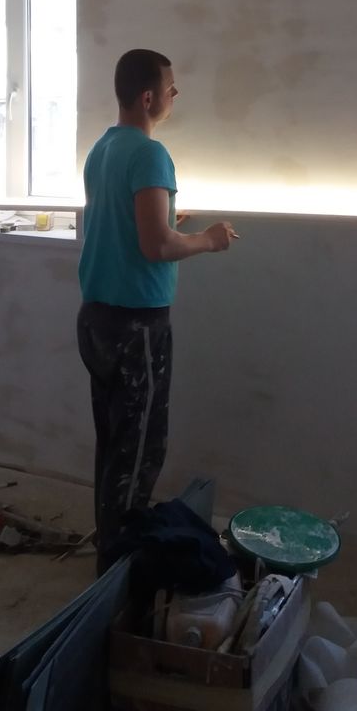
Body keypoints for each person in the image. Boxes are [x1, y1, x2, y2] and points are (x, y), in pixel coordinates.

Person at [77, 48, 238, 575]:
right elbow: (157, 247)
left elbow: (128, 225)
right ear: (148, 97)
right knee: (140, 451)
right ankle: (118, 577)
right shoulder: (150, 154)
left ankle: (108, 556)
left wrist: (166, 219)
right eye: (170, 86)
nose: (175, 93)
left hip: (97, 320)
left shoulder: (102, 149)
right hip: (136, 326)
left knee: (113, 446)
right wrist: (209, 239)